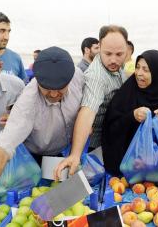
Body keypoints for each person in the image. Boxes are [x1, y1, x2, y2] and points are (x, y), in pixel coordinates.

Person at [0, 46, 84, 226]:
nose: (54, 94)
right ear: (36, 79)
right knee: (39, 197)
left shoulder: (77, 76)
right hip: (33, 158)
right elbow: (2, 149)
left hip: (63, 154)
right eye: (47, 89)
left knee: (72, 192)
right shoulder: (27, 103)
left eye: (61, 88)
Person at [54, 25, 128, 180]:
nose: (113, 59)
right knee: (87, 184)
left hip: (109, 139)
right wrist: (75, 155)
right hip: (92, 147)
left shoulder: (119, 68)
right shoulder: (96, 76)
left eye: (119, 54)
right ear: (99, 47)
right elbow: (87, 112)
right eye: (108, 53)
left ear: (127, 49)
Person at [102, 50, 158, 175]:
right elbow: (111, 125)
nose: (139, 73)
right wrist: (132, 116)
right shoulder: (129, 90)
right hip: (131, 163)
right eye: (138, 67)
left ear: (157, 72)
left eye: (146, 70)